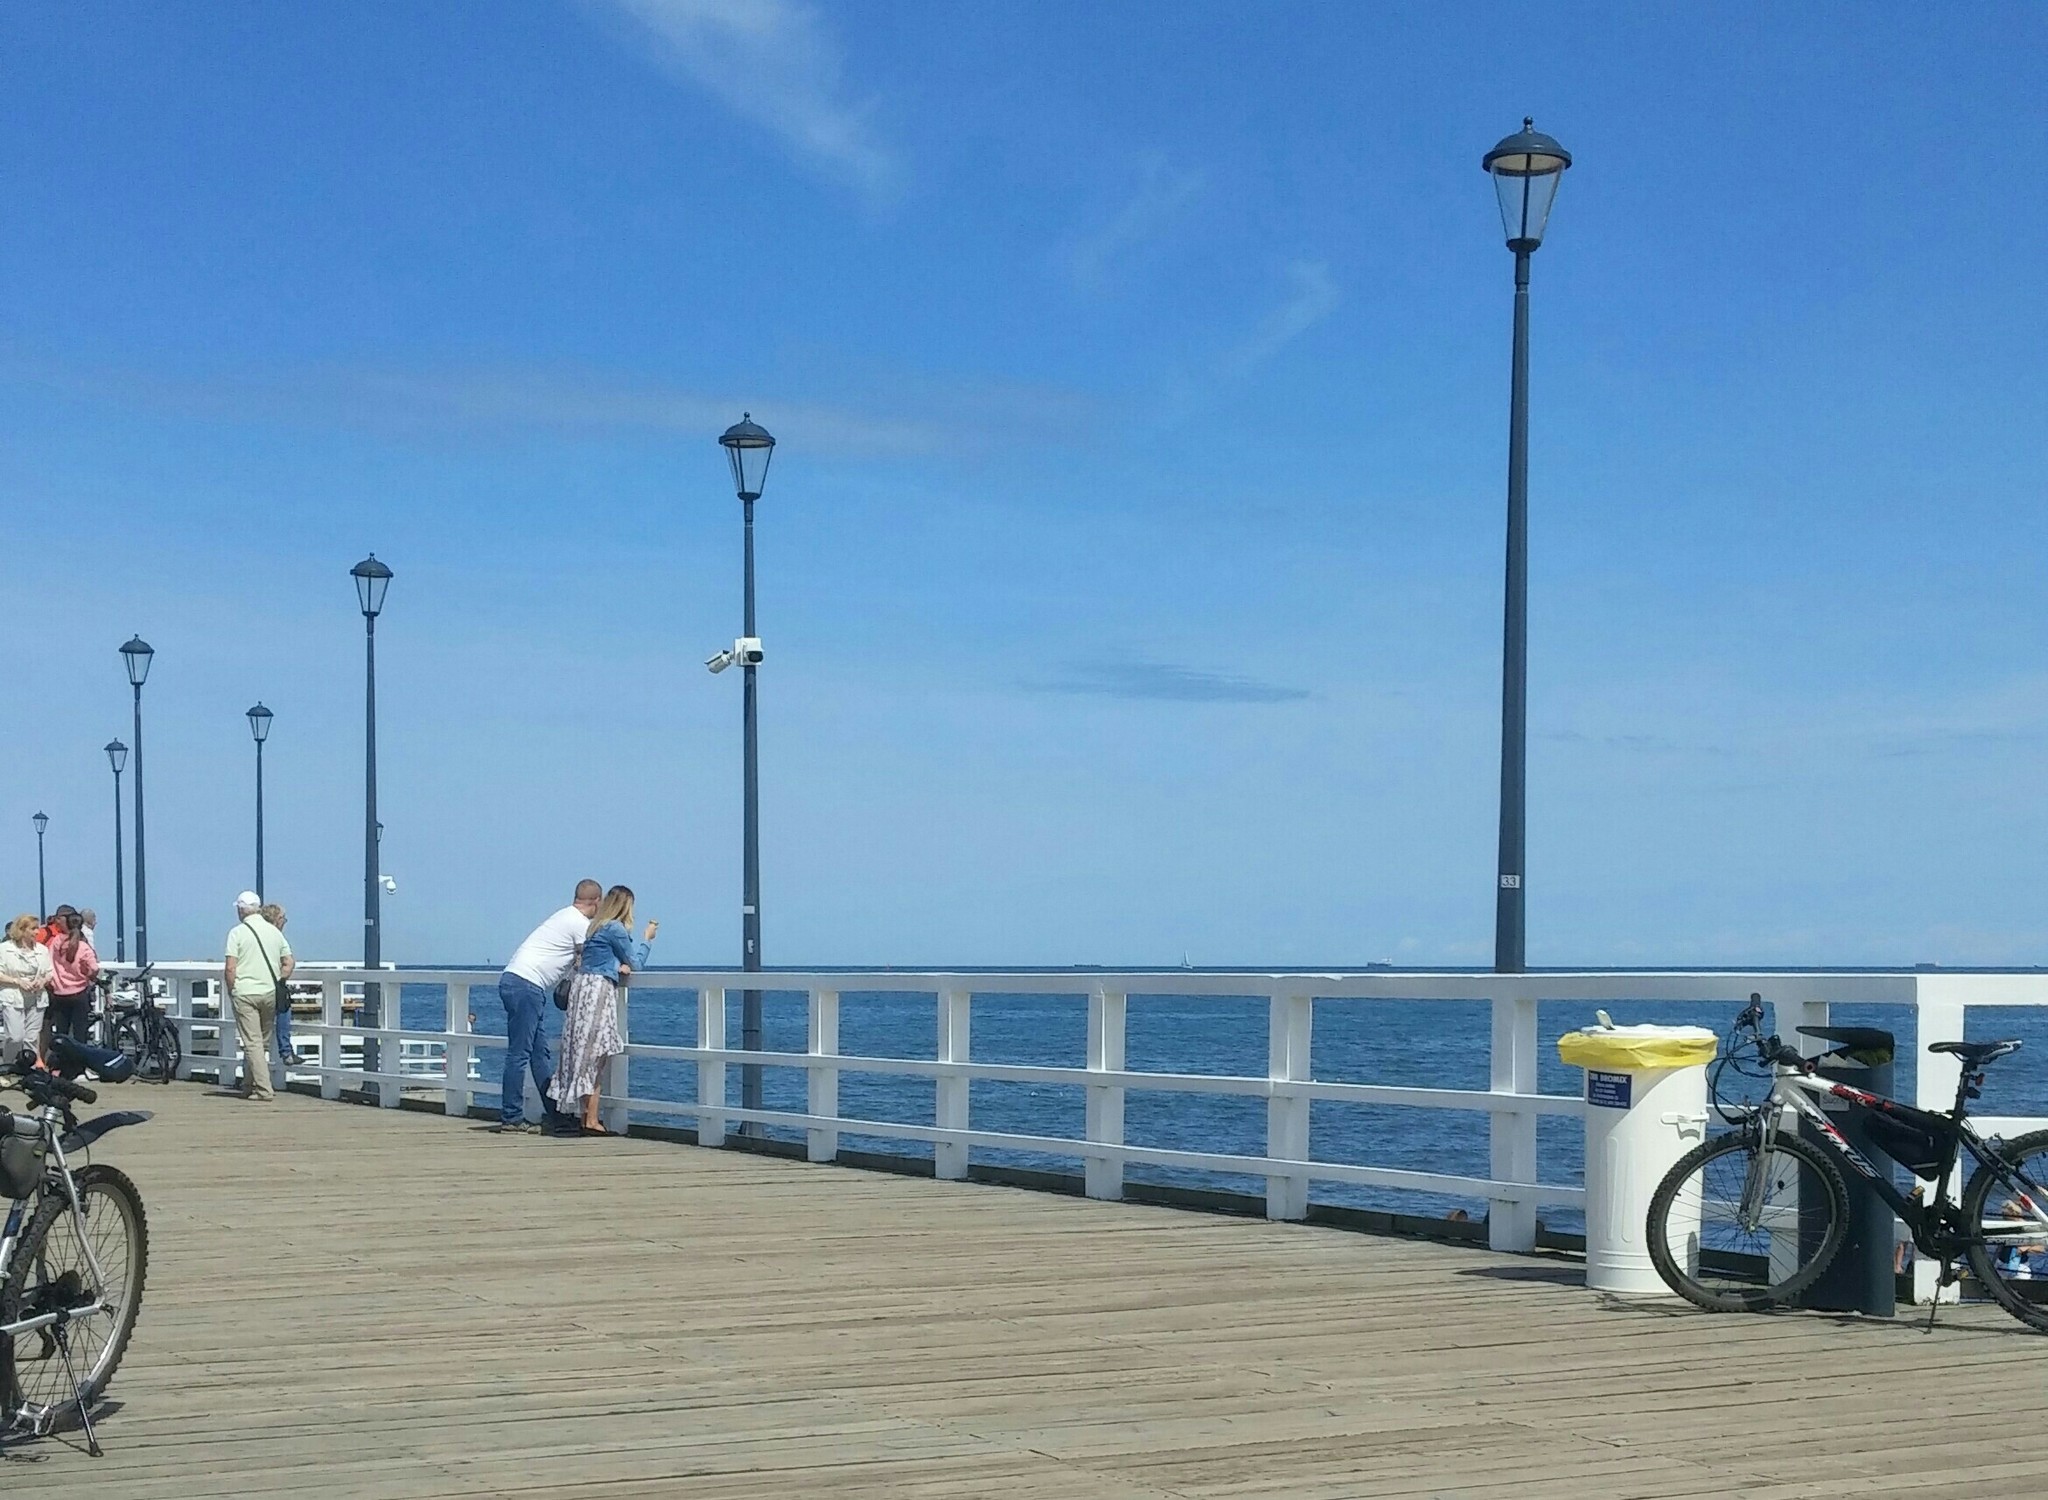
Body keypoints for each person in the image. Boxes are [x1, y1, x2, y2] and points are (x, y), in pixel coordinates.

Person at [494, 880, 601, 1135]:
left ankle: (556, 1114)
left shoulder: (563, 916)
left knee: (538, 1054)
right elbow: (595, 956)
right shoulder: (579, 924)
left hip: (520, 982)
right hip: (526, 985)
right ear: (597, 902)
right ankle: (511, 1117)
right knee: (519, 1053)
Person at [554, 885, 656, 1137]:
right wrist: (647, 939)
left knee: (582, 1053)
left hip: (582, 988)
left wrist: (616, 963)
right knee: (596, 1055)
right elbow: (636, 962)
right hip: (598, 991)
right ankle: (591, 1121)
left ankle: (586, 1117)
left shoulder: (596, 927)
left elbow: (600, 957)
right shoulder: (615, 929)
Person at [223, 890, 293, 1101]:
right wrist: (279, 980)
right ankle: (248, 1085)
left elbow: (230, 968)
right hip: (269, 992)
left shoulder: (237, 933)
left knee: (252, 1043)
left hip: (245, 992)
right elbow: (289, 962)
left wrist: (231, 990)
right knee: (261, 1043)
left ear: (241, 910)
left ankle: (264, 1090)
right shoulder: (274, 933)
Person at [43, 908, 100, 1047]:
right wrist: (88, 976)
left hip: (59, 993)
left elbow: (48, 962)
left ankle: (62, 1064)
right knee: (80, 1034)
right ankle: (78, 1065)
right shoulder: (83, 946)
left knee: (62, 1034)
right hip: (79, 993)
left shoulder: (57, 942)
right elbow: (94, 968)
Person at [0, 914, 53, 1061]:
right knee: (15, 1037)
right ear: (22, 930)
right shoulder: (4, 949)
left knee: (31, 1038)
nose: (37, 932)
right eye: (33, 928)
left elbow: (49, 972)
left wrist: (42, 981)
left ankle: (29, 1070)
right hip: (13, 996)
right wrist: (17, 981)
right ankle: (8, 1067)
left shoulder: (42, 950)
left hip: (37, 997)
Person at [260, 903, 295, 1067]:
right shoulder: (277, 937)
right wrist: (280, 980)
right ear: (276, 919)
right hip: (270, 987)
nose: (285, 922)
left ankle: (251, 1072)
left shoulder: (252, 934)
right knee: (284, 1009)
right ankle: (286, 1051)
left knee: (255, 1034)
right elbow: (288, 963)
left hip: (250, 987)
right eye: (283, 919)